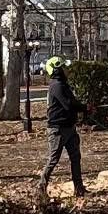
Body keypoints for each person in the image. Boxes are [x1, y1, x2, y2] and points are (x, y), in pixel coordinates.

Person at [38, 56, 86, 201]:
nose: (67, 69)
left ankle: (79, 188)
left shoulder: (63, 84)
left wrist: (85, 109)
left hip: (69, 128)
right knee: (53, 160)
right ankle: (40, 188)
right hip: (57, 130)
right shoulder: (57, 86)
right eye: (64, 67)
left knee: (76, 157)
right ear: (57, 69)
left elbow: (72, 102)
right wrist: (84, 108)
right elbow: (68, 104)